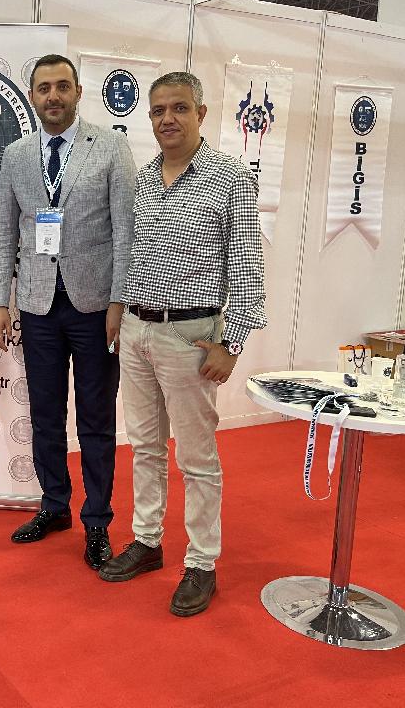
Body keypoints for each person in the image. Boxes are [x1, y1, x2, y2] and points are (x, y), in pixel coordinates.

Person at [99, 71, 266, 617]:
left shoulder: (231, 177)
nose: (167, 119)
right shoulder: (145, 178)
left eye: (179, 108)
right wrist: (119, 311)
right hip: (137, 331)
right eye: (158, 111)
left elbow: (247, 265)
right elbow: (132, 254)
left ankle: (202, 563)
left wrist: (230, 343)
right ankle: (147, 541)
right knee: (144, 446)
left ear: (201, 113)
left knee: (197, 458)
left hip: (190, 337)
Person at [0, 54, 136, 570]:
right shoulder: (16, 154)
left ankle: (97, 521)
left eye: (62, 86)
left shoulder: (111, 146)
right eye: (44, 88)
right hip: (37, 306)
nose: (53, 96)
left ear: (77, 92)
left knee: (96, 419)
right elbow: (4, 231)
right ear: (32, 95)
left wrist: (119, 301)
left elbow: (127, 231)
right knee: (45, 416)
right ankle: (54, 505)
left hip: (95, 309)